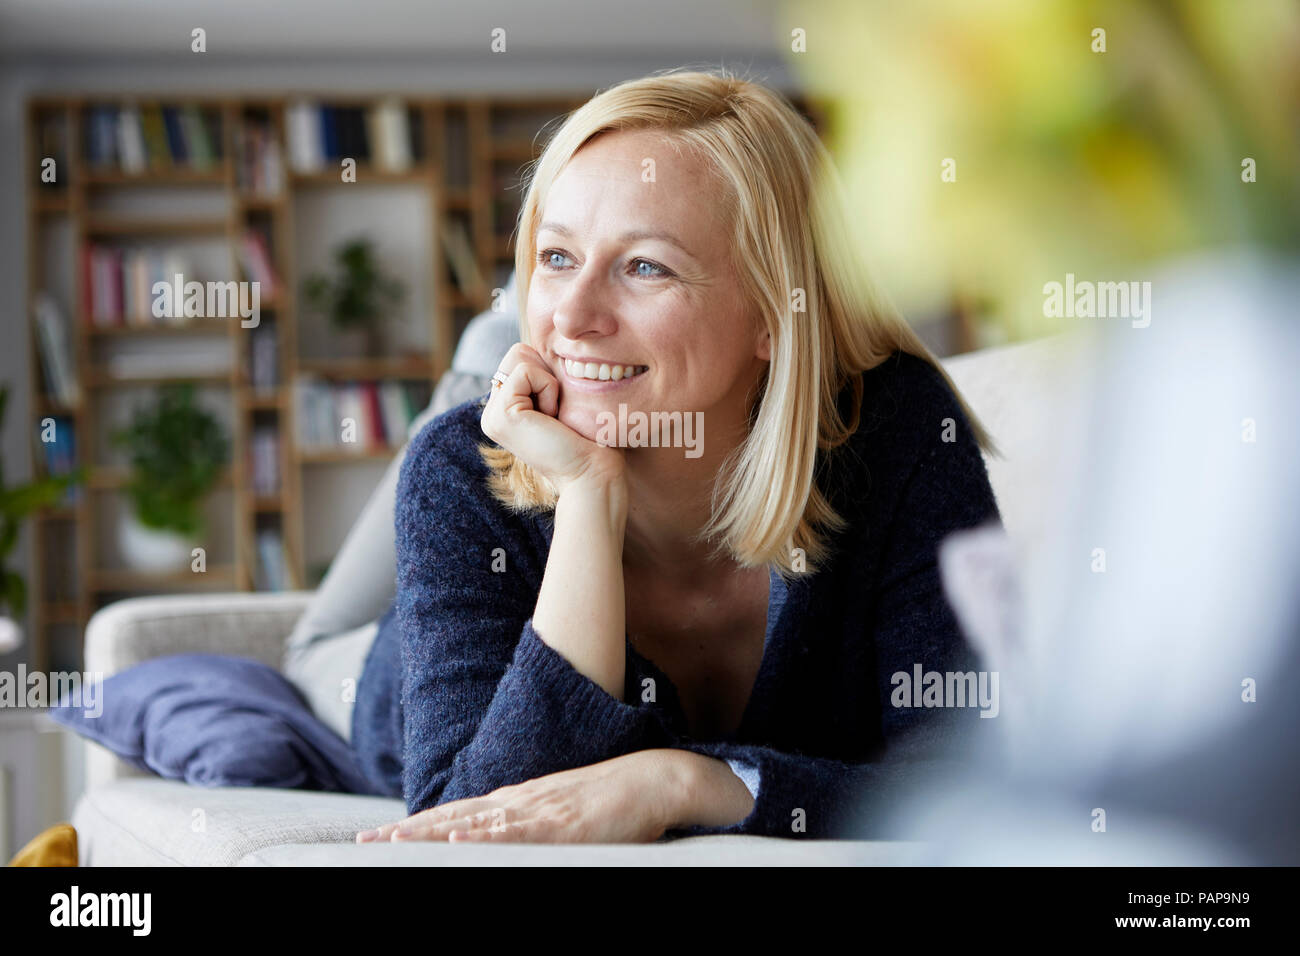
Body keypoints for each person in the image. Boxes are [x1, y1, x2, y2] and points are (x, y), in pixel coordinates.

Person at [353, 67, 1002, 843]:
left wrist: (685, 781)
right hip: (370, 677)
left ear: (777, 313)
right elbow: (474, 821)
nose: (574, 311)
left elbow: (973, 790)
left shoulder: (896, 430)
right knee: (318, 651)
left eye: (645, 266)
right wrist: (590, 495)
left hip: (638, 388)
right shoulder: (459, 472)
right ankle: (491, 357)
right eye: (556, 257)